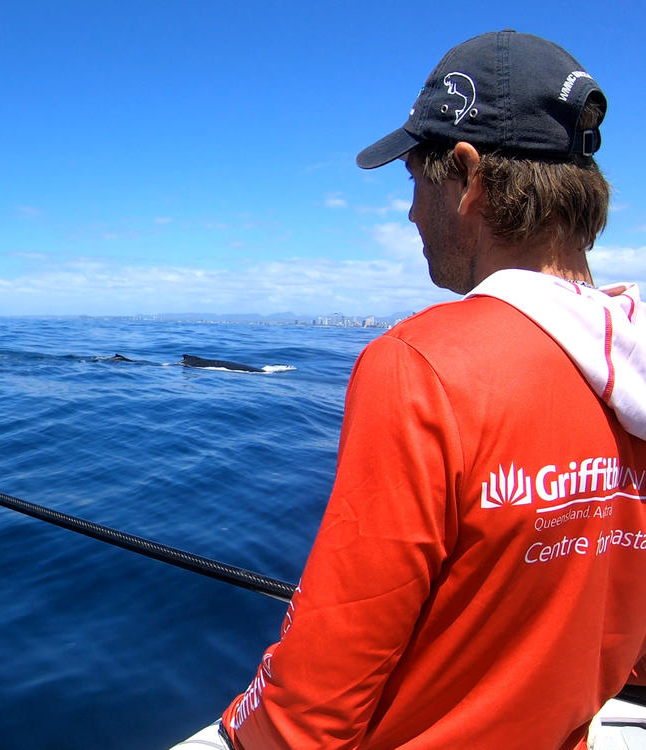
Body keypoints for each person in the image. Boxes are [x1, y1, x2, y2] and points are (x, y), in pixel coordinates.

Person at [220, 30, 646, 749]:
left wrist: (242, 727)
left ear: (471, 177)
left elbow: (307, 717)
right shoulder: (630, 361)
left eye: (418, 181)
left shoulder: (419, 367)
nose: (414, 214)